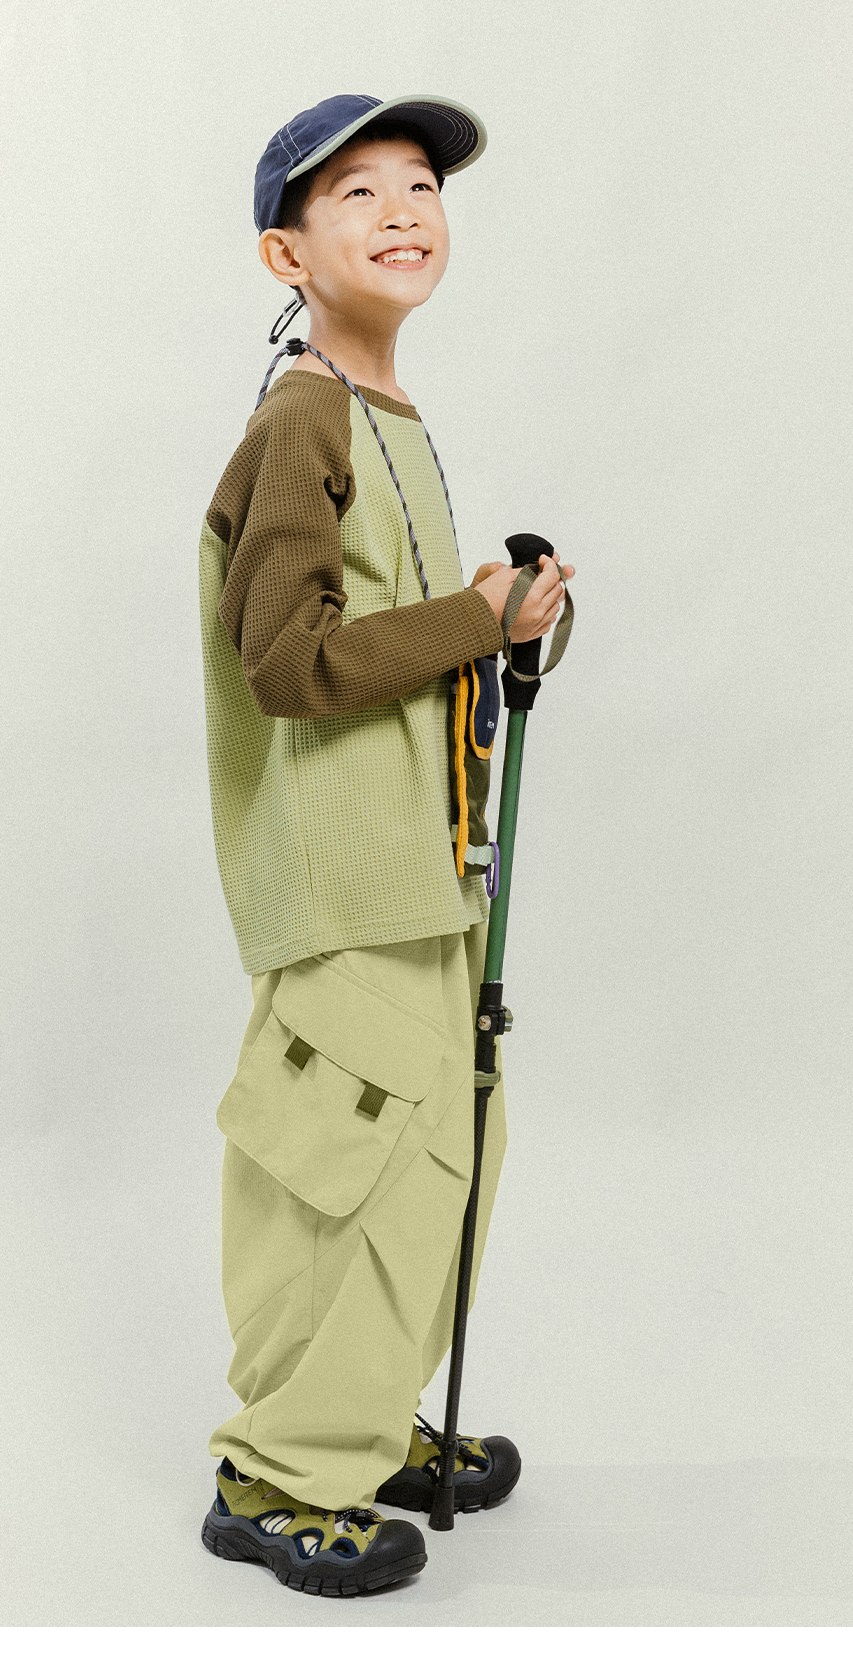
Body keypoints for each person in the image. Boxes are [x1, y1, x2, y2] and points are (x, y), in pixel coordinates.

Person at [197, 93, 574, 1597]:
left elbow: (403, 644)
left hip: (426, 871)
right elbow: (290, 664)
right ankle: (282, 1469)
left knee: (446, 1154)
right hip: (347, 885)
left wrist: (506, 624)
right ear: (285, 253)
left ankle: (358, 1422)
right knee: (351, 1164)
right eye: (356, 192)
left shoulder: (385, 416)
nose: (404, 208)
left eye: (420, 184)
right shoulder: (302, 418)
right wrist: (468, 621)